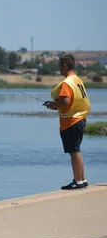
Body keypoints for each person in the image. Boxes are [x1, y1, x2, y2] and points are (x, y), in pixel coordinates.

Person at [43, 54, 91, 190]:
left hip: (71, 121)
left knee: (74, 152)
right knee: (76, 151)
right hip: (80, 118)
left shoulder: (66, 83)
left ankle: (78, 181)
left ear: (65, 66)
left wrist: (53, 104)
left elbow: (66, 101)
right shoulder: (78, 80)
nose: (59, 70)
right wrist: (56, 104)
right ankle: (82, 179)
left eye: (60, 67)